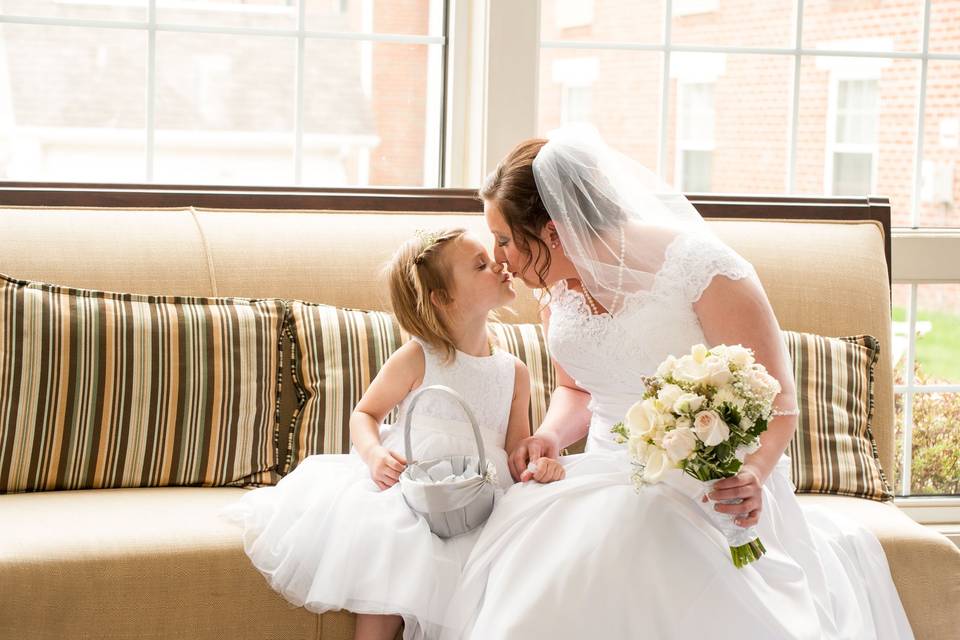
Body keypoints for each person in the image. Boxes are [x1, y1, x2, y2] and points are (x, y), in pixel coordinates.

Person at [441, 127, 913, 639]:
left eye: (505, 238)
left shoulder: (702, 270)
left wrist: (752, 474)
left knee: (639, 534)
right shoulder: (556, 288)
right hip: (602, 471)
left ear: (553, 232)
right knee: (543, 554)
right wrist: (551, 436)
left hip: (708, 478)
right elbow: (578, 389)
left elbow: (780, 403)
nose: (500, 255)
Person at [223, 228, 565, 640]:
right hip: (410, 489)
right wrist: (372, 455)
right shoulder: (420, 356)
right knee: (394, 556)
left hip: (477, 500)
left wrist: (536, 464)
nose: (499, 264)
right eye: (480, 264)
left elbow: (515, 451)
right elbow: (365, 413)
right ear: (443, 298)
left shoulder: (514, 372)